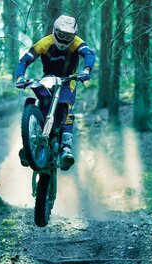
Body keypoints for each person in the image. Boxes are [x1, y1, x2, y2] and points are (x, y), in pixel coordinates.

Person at [14, 15, 95, 171]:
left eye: (68, 36)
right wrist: (20, 77)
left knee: (66, 106)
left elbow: (89, 54)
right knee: (39, 99)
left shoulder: (78, 43)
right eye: (61, 34)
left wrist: (86, 70)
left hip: (68, 80)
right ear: (55, 31)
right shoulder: (45, 42)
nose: (64, 39)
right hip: (48, 78)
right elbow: (24, 60)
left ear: (74, 35)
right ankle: (29, 143)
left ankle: (66, 148)